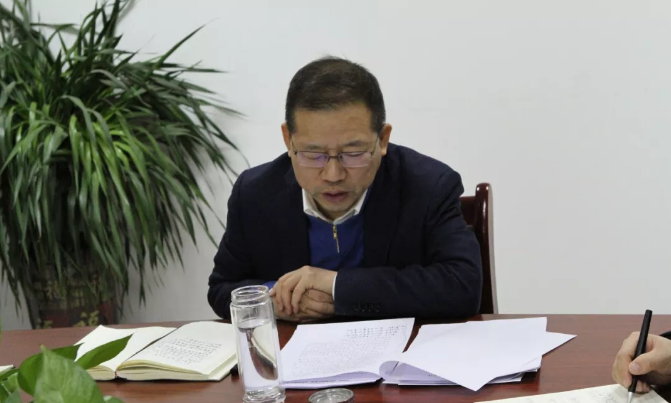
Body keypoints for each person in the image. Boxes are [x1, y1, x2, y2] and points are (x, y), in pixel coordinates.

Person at [207, 56, 483, 322]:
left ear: (382, 139)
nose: (333, 175)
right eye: (313, 155)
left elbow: (463, 286)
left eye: (353, 154)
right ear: (288, 139)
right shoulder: (255, 193)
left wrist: (336, 285)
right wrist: (276, 299)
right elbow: (222, 289)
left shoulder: (428, 186)